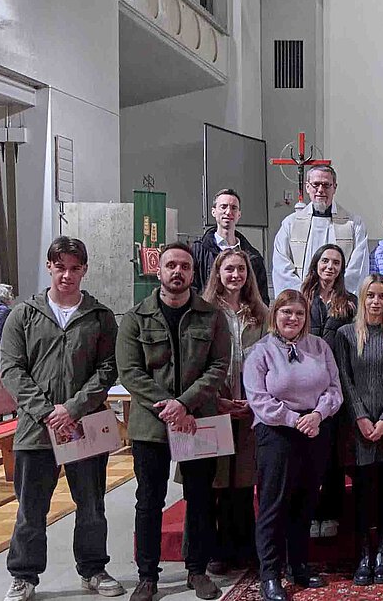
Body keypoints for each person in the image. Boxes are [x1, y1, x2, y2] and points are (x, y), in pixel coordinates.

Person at [0, 237, 121, 601]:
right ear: (50, 266)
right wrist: (47, 411)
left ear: (84, 269)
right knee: (31, 510)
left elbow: (108, 368)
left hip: (84, 427)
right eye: (60, 266)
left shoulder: (99, 317)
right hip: (36, 430)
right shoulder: (24, 314)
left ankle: (93, 569)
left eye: (75, 267)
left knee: (92, 506)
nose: (67, 274)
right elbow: (11, 369)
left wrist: (74, 408)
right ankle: (24, 575)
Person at [117, 242, 231, 601]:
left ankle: (196, 570)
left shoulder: (211, 316)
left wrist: (184, 404)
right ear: (159, 271)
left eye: (184, 266)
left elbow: (218, 367)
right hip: (151, 424)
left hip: (199, 419)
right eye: (171, 266)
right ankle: (147, 576)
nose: (177, 272)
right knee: (149, 500)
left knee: (200, 497)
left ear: (193, 273)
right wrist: (166, 405)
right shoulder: (136, 318)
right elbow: (130, 372)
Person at [243, 289, 344, 600]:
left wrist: (317, 415)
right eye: (287, 312)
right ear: (275, 315)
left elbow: (334, 388)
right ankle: (270, 574)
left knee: (305, 503)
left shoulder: (320, 347)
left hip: (315, 430)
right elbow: (258, 399)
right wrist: (292, 419)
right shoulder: (260, 351)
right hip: (276, 434)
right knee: (274, 505)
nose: (293, 318)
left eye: (299, 314)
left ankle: (298, 565)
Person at [333, 274, 383, 586]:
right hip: (358, 426)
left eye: (382, 296)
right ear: (362, 299)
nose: (376, 302)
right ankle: (363, 552)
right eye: (371, 296)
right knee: (364, 493)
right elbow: (344, 380)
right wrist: (361, 419)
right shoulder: (346, 334)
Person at [200, 249, 270, 575]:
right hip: (215, 405)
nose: (235, 275)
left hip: (250, 406)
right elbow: (195, 364)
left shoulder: (261, 314)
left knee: (243, 481)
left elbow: (271, 361)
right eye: (229, 269)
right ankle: (218, 550)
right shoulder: (203, 312)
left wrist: (254, 400)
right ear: (218, 273)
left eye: (241, 269)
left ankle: (245, 546)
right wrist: (218, 401)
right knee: (217, 481)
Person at [299, 244, 357, 539]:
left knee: (333, 452)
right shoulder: (301, 298)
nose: (330, 267)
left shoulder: (350, 302)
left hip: (338, 385)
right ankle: (308, 514)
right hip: (305, 385)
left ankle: (332, 511)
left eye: (336, 262)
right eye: (325, 261)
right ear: (316, 264)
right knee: (308, 453)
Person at [272, 164, 369, 294]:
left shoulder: (354, 224)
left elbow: (358, 267)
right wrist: (302, 295)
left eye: (326, 185)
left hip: (338, 302)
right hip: (300, 302)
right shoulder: (290, 223)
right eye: (316, 184)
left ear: (334, 188)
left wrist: (335, 295)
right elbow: (281, 266)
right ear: (307, 187)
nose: (320, 190)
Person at [192, 188, 270, 303]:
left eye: (234, 208)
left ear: (239, 214)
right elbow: (192, 289)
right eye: (223, 207)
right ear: (213, 212)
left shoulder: (253, 256)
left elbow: (261, 298)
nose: (228, 212)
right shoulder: (198, 251)